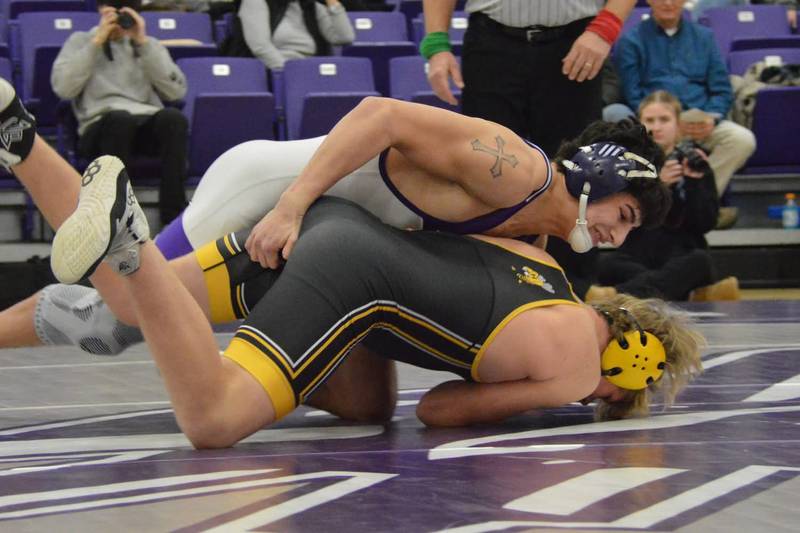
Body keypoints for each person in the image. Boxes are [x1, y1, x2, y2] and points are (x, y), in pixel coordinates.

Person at [47, 154, 704, 448]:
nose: (602, 398)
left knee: (126, 308)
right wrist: (550, 395)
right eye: (621, 394)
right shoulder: (579, 371)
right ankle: (131, 238)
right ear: (627, 368)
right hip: (349, 280)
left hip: (332, 222)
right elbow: (442, 410)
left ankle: (21, 140)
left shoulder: (544, 260)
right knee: (213, 420)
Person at [0, 78, 671, 353]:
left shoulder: (535, 234)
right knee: (121, 309)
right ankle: (21, 139)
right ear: (604, 176)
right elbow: (380, 114)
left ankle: (25, 145)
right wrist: (292, 206)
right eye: (628, 211)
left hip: (310, 206)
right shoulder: (514, 168)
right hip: (270, 186)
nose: (622, 231)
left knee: (115, 318)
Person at [420, 0, 639, 297]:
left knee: (578, 175)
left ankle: (570, 295)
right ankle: (477, 293)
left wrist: (606, 28)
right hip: (492, 42)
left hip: (577, 41)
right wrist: (436, 42)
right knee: (479, 170)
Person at [612, 0, 757, 229]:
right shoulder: (631, 40)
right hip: (656, 121)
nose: (668, 3)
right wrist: (663, 119)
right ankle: (652, 203)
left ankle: (704, 203)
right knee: (616, 115)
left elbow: (721, 89)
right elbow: (632, 92)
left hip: (699, 121)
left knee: (741, 139)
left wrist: (712, 118)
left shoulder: (705, 38)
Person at [588, 90, 740, 302]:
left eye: (664, 120)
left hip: (681, 253)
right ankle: (692, 293)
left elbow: (704, 223)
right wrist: (658, 185)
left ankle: (619, 295)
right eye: (649, 120)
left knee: (700, 261)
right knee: (607, 264)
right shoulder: (626, 163)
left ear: (678, 125)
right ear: (639, 124)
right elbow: (620, 218)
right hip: (637, 253)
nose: (656, 127)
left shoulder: (695, 161)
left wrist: (696, 183)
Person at [50, 0, 189, 225]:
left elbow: (175, 90)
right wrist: (96, 43)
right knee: (120, 120)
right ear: (100, 10)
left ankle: (173, 217)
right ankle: (120, 217)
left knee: (174, 119)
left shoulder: (147, 45)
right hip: (100, 126)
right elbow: (64, 88)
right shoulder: (80, 41)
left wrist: (142, 41)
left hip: (144, 123)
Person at [220, 0, 355, 70]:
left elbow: (344, 37)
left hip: (311, 69)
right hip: (275, 71)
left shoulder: (309, 6)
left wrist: (333, 3)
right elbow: (260, 47)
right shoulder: (256, 2)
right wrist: (290, 73)